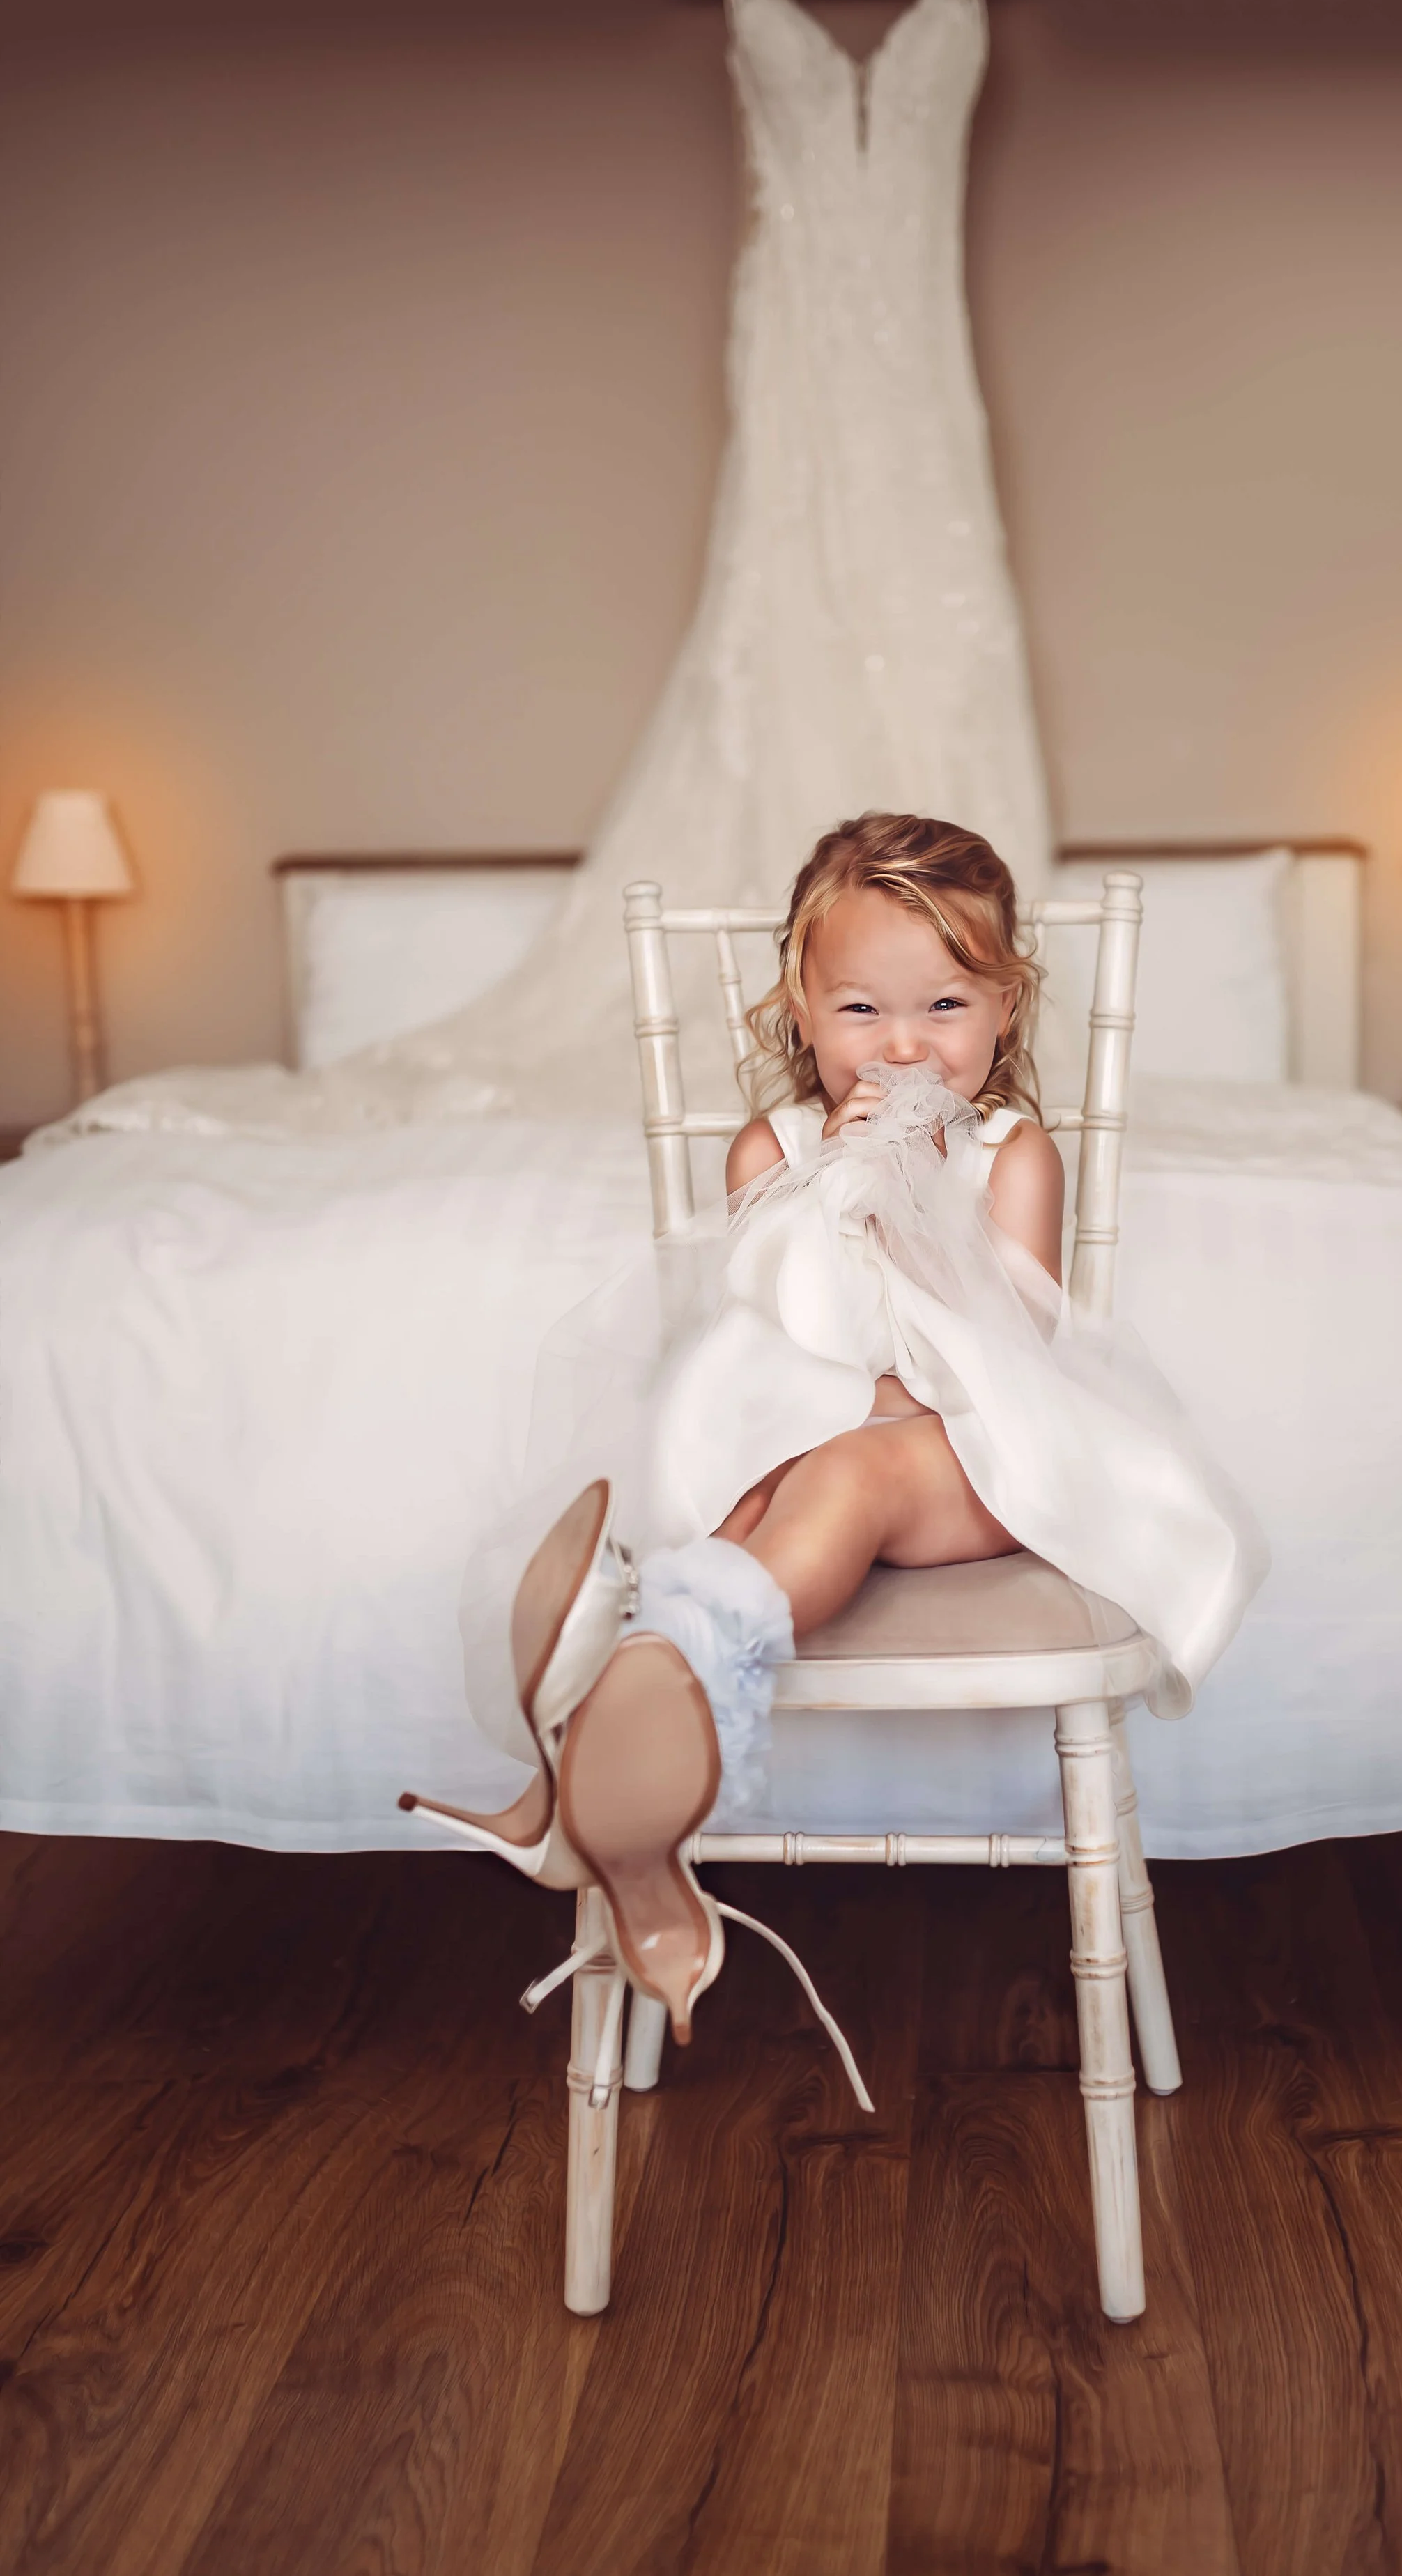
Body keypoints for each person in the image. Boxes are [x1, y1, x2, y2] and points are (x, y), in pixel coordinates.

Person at [404, 812, 1265, 2058]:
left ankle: (674, 1672)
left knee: (854, 1468)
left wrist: (906, 1199)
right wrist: (828, 1190)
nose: (904, 1045)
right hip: (815, 1427)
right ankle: (612, 1787)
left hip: (976, 1454)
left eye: (946, 1006)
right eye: (862, 1010)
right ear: (802, 1012)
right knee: (754, 1491)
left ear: (1006, 1008)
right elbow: (761, 1329)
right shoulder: (775, 1146)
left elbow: (1008, 1354)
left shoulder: (1012, 1155)